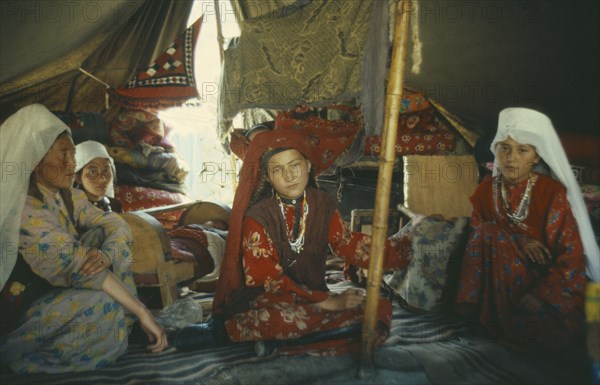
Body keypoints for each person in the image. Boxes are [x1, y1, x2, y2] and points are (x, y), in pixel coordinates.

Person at [174, 129, 410, 356]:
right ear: (268, 176)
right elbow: (265, 278)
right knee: (278, 317)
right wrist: (328, 302)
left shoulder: (323, 204)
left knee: (379, 308)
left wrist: (401, 250)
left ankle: (279, 342)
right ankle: (230, 332)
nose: (289, 176)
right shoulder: (258, 216)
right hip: (269, 298)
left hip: (313, 297)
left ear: (308, 165)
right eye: (278, 170)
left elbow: (346, 243)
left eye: (295, 165)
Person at [0, 104, 167, 373]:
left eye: (73, 154)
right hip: (22, 309)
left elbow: (115, 224)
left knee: (104, 236)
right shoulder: (26, 209)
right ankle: (23, 364)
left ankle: (123, 324)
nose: (71, 163)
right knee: (104, 304)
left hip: (60, 293)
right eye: (63, 154)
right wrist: (143, 311)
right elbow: (77, 263)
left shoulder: (68, 196)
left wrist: (106, 255)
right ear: (35, 159)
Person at [454, 107, 599, 351]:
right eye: (504, 148)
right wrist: (519, 240)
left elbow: (571, 256)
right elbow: (479, 237)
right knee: (486, 233)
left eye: (522, 150)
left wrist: (543, 294)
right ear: (495, 152)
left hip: (545, 286)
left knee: (544, 337)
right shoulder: (485, 190)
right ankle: (488, 318)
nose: (511, 158)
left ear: (536, 157)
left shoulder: (550, 193)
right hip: (501, 284)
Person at [74, 140, 122, 213]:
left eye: (106, 171)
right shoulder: (73, 210)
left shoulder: (115, 205)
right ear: (78, 178)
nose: (103, 179)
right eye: (92, 172)